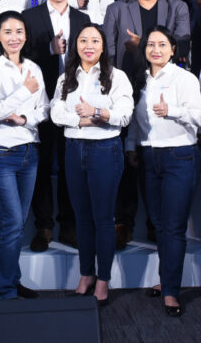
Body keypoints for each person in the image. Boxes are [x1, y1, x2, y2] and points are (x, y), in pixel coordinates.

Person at [103, 0, 190, 247]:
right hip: (125, 90)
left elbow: (182, 47)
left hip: (164, 90)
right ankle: (123, 222)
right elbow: (109, 54)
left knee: (158, 158)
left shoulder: (177, 7)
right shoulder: (117, 9)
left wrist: (143, 47)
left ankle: (157, 224)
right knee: (125, 160)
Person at [51, 24, 134, 306]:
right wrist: (84, 120)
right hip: (74, 149)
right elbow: (56, 113)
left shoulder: (117, 77)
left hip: (105, 150)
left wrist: (97, 111)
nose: (89, 45)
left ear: (103, 46)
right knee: (81, 217)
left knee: (103, 218)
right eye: (83, 40)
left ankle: (103, 280)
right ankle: (86, 274)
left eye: (95, 40)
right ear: (75, 45)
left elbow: (124, 115)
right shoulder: (66, 78)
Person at [126, 27, 201, 317]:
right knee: (158, 224)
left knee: (173, 226)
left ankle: (171, 290)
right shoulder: (140, 79)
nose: (156, 49)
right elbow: (135, 120)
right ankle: (166, 280)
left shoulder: (184, 79)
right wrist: (131, 147)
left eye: (162, 44)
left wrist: (171, 110)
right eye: (150, 44)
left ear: (173, 49)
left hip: (179, 155)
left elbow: (200, 117)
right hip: (148, 156)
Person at [0, 11, 49, 300]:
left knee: (18, 223)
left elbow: (44, 108)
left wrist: (23, 119)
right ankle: (5, 291)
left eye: (19, 31)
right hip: (0, 153)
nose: (14, 37)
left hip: (29, 152)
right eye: (7, 32)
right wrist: (23, 92)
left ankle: (11, 281)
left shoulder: (33, 67)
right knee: (11, 222)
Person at [21, 0, 89, 251]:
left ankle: (69, 224)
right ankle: (44, 226)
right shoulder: (30, 17)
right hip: (40, 100)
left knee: (70, 166)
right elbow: (21, 55)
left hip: (73, 103)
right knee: (42, 164)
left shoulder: (83, 19)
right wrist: (49, 49)